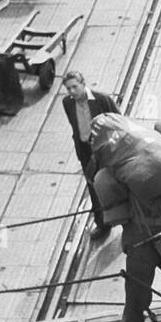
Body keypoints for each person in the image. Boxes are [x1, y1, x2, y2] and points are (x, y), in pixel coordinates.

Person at [61, 71, 120, 241]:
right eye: (68, 88)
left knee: (116, 183)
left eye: (75, 87)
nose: (72, 91)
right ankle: (102, 223)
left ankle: (126, 220)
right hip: (86, 150)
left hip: (105, 149)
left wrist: (113, 147)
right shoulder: (67, 103)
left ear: (83, 84)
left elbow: (119, 122)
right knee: (93, 186)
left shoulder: (101, 99)